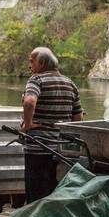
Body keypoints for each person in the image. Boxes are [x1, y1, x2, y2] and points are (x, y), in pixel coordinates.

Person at [20, 46, 84, 204]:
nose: (30, 65)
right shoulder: (70, 83)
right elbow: (78, 118)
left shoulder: (36, 79)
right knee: (56, 196)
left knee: (36, 199)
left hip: (38, 149)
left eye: (31, 61)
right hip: (62, 152)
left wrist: (27, 125)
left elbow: (29, 102)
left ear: (41, 63)